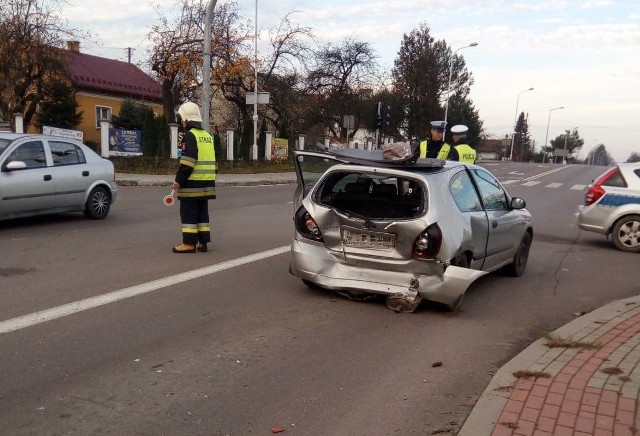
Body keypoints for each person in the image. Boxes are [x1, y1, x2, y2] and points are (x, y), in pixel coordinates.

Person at [171, 101, 217, 253]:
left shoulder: (190, 136)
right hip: (207, 184)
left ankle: (189, 244)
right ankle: (203, 242)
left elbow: (188, 163)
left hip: (192, 185)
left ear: (186, 119)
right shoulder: (207, 136)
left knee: (188, 213)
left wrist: (178, 180)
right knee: (202, 213)